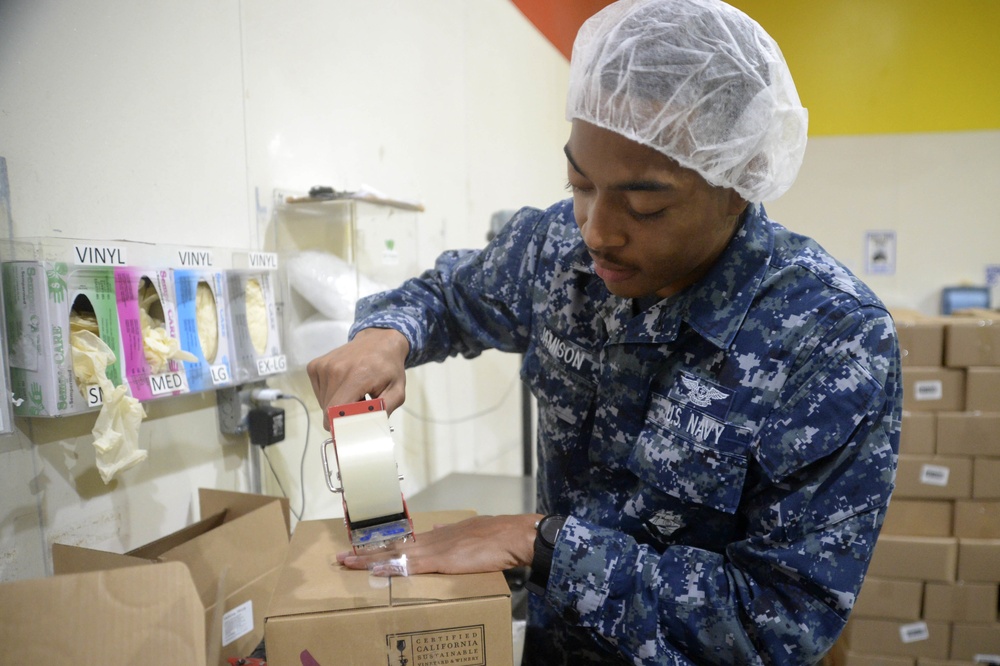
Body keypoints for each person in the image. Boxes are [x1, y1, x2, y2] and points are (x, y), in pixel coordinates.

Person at [307, 0, 902, 663]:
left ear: (737, 183)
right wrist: (387, 336)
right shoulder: (558, 248)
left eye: (646, 206)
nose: (597, 231)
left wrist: (546, 545)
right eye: (579, 182)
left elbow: (778, 622)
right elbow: (447, 295)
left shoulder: (832, 340)